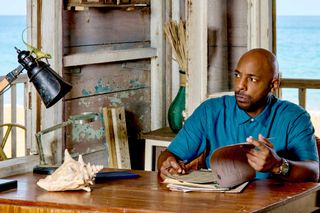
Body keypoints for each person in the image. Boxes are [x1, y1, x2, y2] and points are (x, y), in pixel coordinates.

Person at [158, 48, 319, 182]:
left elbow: (314, 172)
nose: (240, 86)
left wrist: (277, 165)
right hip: (219, 205)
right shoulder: (210, 111)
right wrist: (167, 164)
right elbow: (170, 154)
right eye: (237, 75)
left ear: (274, 84)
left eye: (252, 79)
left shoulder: (295, 117)